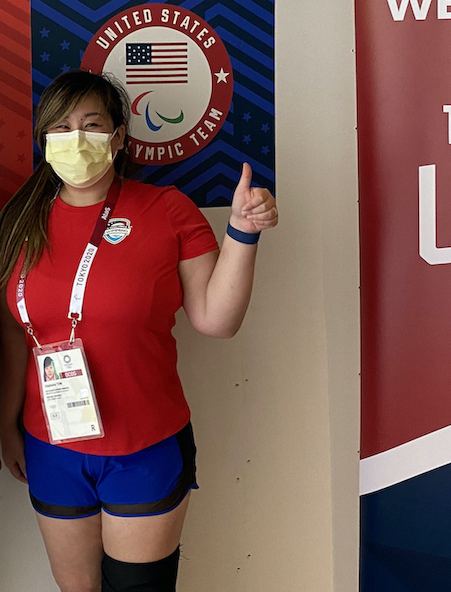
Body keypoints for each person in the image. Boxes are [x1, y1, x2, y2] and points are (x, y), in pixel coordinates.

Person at [0, 70, 277, 592]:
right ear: (43, 141)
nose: (75, 140)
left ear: (120, 136)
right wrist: (6, 425)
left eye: (91, 124)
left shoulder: (166, 210)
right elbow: (16, 334)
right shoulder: (19, 222)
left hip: (144, 446)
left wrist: (243, 231)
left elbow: (216, 321)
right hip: (51, 444)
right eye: (60, 128)